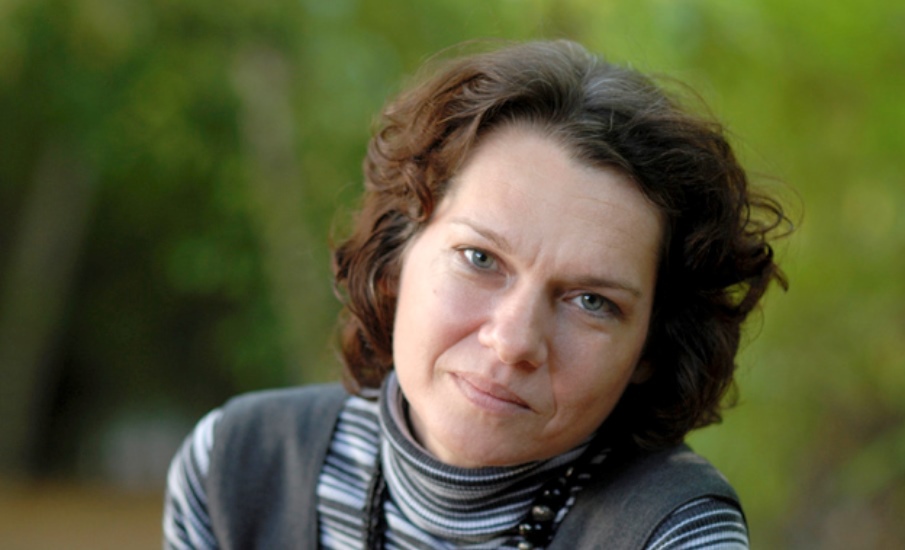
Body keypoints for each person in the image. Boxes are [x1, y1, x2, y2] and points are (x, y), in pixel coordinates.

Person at [164, 39, 788, 549]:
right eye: (480, 259)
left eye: (591, 301)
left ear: (651, 347)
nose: (514, 341)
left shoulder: (673, 533)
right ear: (397, 253)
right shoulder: (234, 468)